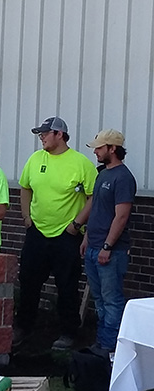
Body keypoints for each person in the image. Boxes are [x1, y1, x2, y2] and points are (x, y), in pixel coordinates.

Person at [14, 117, 98, 351]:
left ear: (60, 134)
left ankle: (68, 332)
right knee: (28, 281)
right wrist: (26, 217)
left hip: (66, 235)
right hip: (37, 232)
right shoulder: (35, 159)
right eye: (40, 134)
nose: (41, 137)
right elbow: (25, 187)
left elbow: (93, 196)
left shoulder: (81, 163)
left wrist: (77, 224)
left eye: (45, 133)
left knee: (67, 285)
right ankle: (23, 327)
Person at [80, 129, 136, 351]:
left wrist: (107, 246)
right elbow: (97, 210)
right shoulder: (102, 174)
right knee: (100, 301)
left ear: (113, 149)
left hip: (110, 252)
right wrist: (86, 237)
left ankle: (111, 348)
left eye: (100, 148)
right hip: (94, 247)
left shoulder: (123, 177)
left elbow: (121, 216)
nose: (95, 151)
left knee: (112, 301)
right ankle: (101, 344)